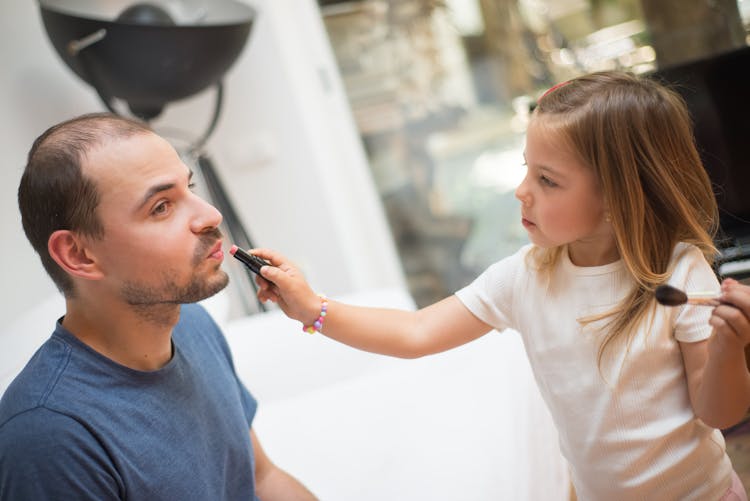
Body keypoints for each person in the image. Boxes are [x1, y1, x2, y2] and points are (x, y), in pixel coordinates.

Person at [249, 71, 750, 499]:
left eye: (547, 181)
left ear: (618, 198)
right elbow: (416, 332)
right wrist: (311, 308)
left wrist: (731, 346)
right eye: (526, 169)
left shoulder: (679, 274)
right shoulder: (527, 275)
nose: (521, 191)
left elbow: (718, 413)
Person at [0, 113, 317, 501]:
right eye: (162, 207)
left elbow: (262, 479)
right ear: (79, 254)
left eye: (191, 186)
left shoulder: (192, 325)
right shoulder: (49, 437)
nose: (210, 215)